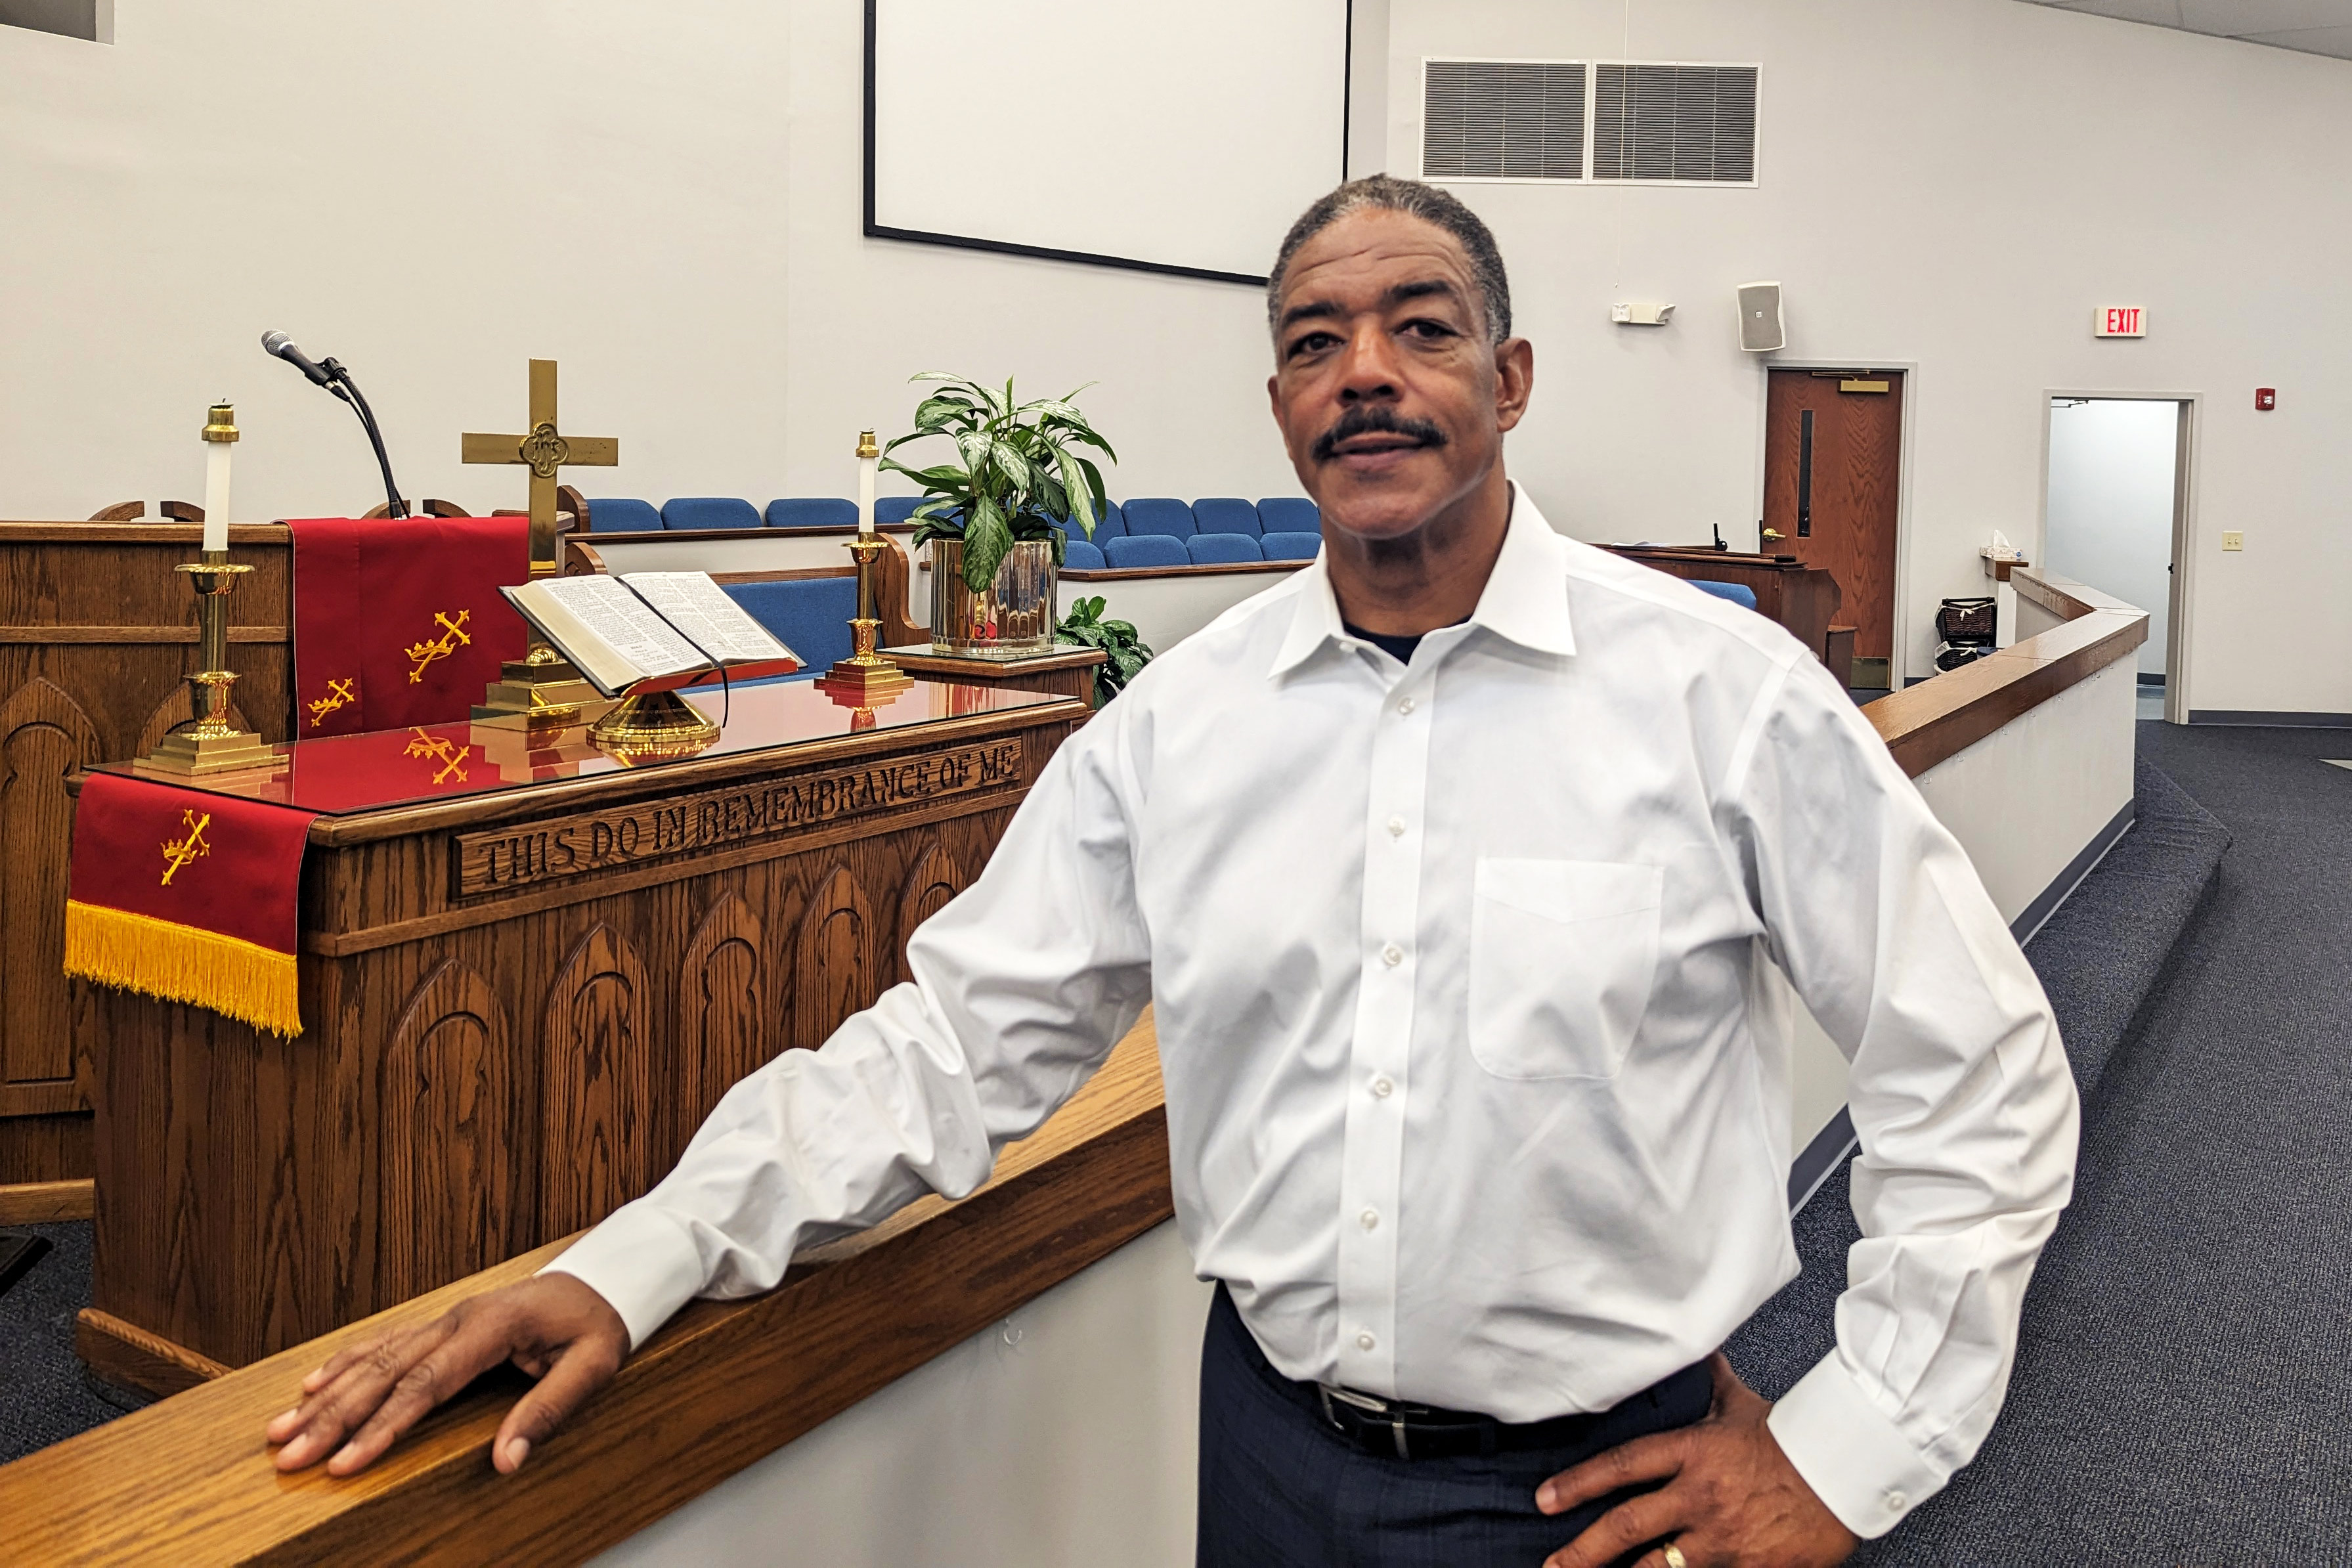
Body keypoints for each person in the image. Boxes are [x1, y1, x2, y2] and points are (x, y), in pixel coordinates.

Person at [268, 177, 2080, 1568]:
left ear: (1511, 380)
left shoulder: (1714, 695)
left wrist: (1848, 1448)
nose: (1362, 372)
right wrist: (635, 1258)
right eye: (1312, 341)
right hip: (1270, 1465)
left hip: (1596, 1489)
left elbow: (1977, 1067)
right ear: (1282, 405)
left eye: (1419, 327)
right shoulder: (1180, 722)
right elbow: (956, 1048)